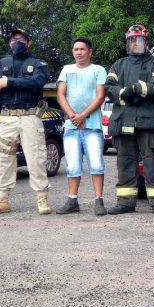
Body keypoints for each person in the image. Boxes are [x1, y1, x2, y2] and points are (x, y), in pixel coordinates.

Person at [0, 28, 52, 215]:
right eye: (13, 39)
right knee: (4, 159)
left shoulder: (38, 64)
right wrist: (14, 81)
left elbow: (37, 83)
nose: (17, 42)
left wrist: (10, 82)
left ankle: (42, 199)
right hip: (7, 118)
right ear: (9, 43)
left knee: (36, 158)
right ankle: (2, 200)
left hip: (30, 116)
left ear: (29, 42)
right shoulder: (0, 62)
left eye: (21, 39)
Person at [103, 24, 154, 216]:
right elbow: (109, 88)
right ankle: (125, 203)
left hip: (148, 123)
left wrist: (138, 89)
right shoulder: (118, 65)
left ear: (147, 42)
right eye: (132, 40)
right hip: (123, 122)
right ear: (128, 42)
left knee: (151, 163)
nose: (136, 44)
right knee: (124, 162)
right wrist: (125, 93)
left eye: (140, 40)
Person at [54, 37, 108, 215]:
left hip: (92, 126)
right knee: (73, 165)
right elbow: (61, 95)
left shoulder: (99, 70)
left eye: (82, 49)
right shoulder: (66, 70)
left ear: (90, 52)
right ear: (72, 52)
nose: (79, 52)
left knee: (96, 163)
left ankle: (98, 201)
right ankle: (72, 201)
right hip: (71, 126)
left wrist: (83, 115)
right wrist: (72, 116)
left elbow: (100, 97)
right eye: (76, 49)